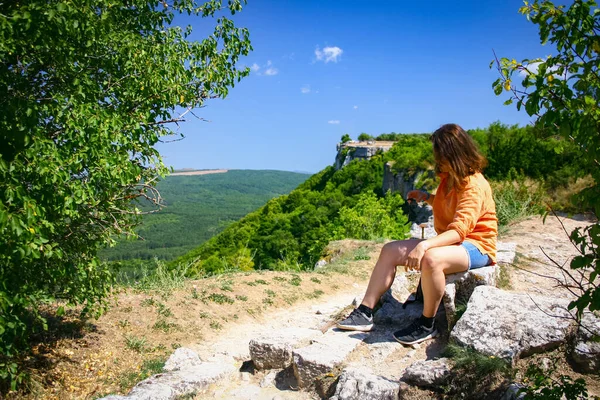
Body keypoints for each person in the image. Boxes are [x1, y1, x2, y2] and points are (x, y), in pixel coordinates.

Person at [336, 123, 498, 345]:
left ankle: (426, 324)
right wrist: (426, 197)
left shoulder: (473, 185)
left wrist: (424, 246)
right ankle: (365, 311)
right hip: (454, 244)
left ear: (454, 154)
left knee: (431, 258)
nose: (437, 160)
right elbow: (451, 205)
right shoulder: (450, 177)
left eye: (441, 155)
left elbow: (460, 230)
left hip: (476, 246)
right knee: (389, 250)